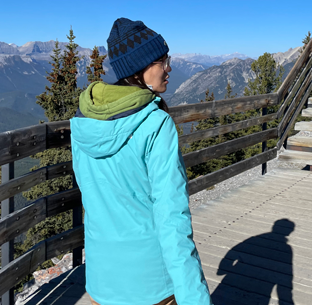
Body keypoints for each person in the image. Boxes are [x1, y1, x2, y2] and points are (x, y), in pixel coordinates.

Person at [70, 18, 212, 305]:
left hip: (102, 281)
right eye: (162, 61)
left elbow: (92, 196)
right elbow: (171, 219)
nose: (169, 67)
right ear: (139, 69)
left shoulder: (84, 121)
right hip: (150, 285)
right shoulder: (155, 124)